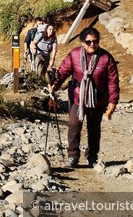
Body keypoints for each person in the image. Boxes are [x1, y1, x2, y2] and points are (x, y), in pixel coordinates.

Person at [49, 27, 120, 168]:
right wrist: (54, 85)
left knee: (94, 129)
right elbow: (63, 71)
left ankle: (92, 156)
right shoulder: (74, 55)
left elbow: (113, 81)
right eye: (88, 42)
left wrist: (113, 102)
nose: (92, 44)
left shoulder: (106, 58)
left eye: (95, 41)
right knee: (74, 126)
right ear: (82, 43)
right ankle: (73, 156)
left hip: (98, 99)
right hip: (77, 97)